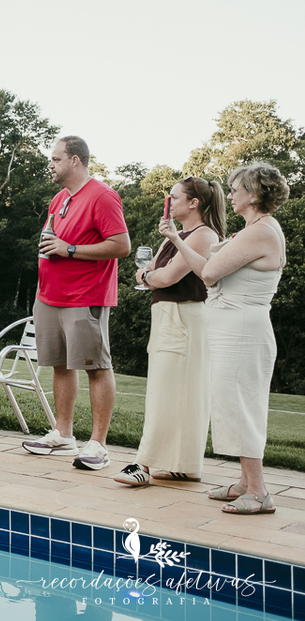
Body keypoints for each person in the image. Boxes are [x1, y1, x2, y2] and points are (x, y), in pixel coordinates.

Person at [160, 162, 289, 515]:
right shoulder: (253, 229)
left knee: (241, 406)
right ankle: (245, 482)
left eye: (236, 189)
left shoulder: (260, 231)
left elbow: (210, 273)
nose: (230, 194)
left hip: (243, 332)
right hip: (234, 330)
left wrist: (175, 240)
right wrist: (178, 239)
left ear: (254, 193)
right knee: (232, 404)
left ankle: (259, 491)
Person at [22, 136, 130, 470]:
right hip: (50, 296)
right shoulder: (59, 199)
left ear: (75, 161)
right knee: (60, 365)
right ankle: (63, 433)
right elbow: (50, 240)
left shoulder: (103, 196)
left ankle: (98, 444)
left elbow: (121, 245)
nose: (50, 165)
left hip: (86, 297)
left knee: (96, 367)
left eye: (55, 159)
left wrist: (69, 249)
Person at [114, 176, 224, 486]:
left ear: (194, 202)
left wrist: (150, 275)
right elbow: (150, 273)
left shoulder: (203, 235)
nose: (169, 202)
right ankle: (179, 465)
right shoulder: (175, 236)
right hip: (165, 315)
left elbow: (166, 277)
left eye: (174, 197)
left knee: (174, 392)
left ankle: (144, 465)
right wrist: (151, 274)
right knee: (169, 391)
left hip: (185, 316)